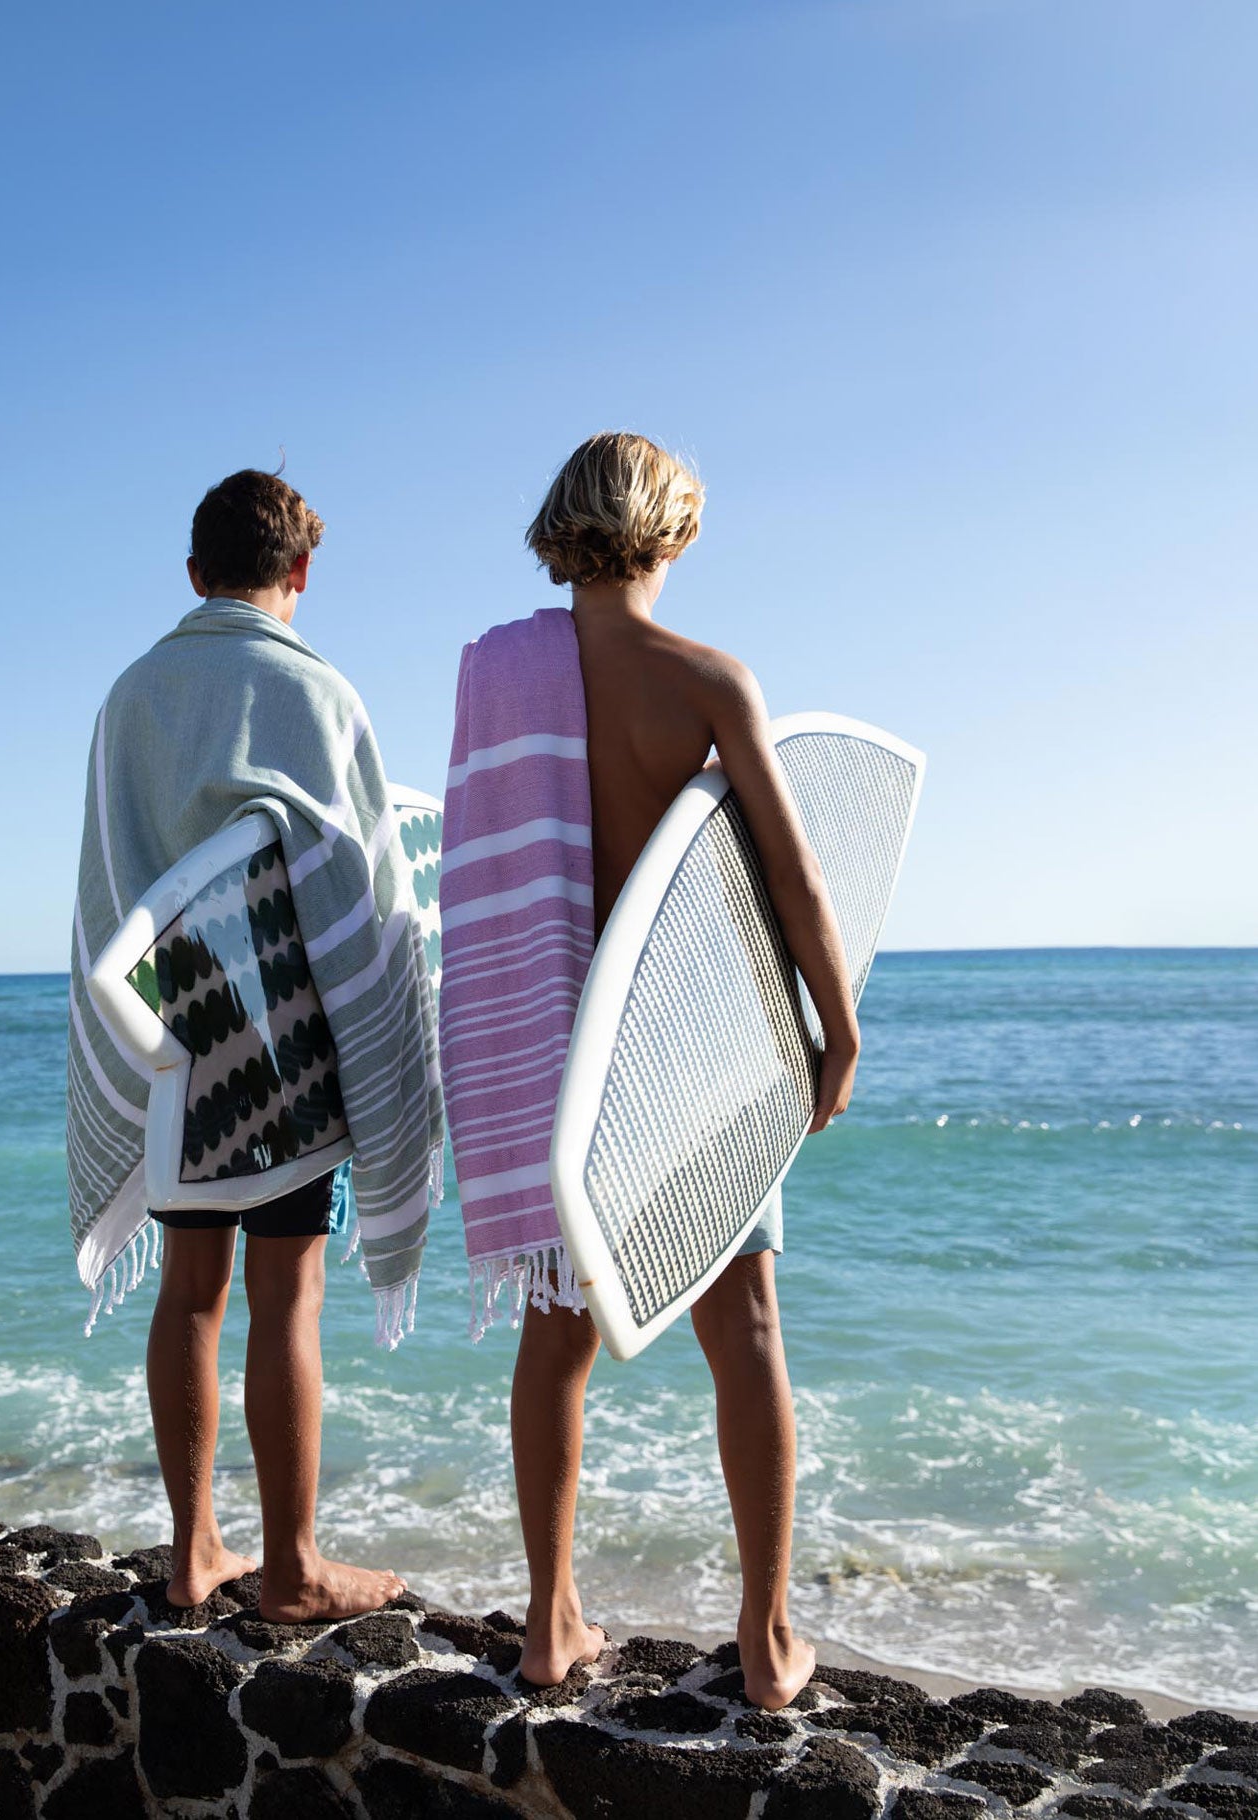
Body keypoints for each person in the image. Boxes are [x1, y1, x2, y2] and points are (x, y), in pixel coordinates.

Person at [446, 433, 859, 1705]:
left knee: (557, 1331)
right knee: (747, 1330)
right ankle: (766, 1633)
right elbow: (793, 876)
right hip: (697, 1048)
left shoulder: (499, 676)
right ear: (668, 531)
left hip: (567, 1054)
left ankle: (548, 1620)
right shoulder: (707, 681)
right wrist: (836, 1027)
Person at [68, 468, 438, 1624]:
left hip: (181, 1032)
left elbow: (113, 875)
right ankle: (290, 1566)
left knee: (189, 1289)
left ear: (193, 574)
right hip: (288, 1037)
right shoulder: (317, 691)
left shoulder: (131, 695)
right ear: (302, 572)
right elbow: (364, 884)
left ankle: (192, 1551)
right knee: (288, 1294)